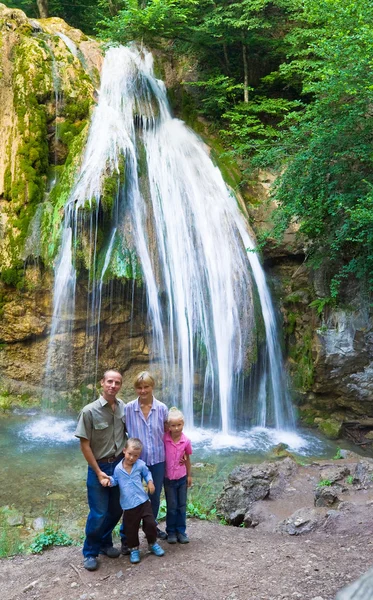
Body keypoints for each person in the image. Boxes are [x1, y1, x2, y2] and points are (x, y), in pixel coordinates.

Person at [75, 369, 127, 571]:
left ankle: (105, 543)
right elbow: (84, 445)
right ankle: (90, 551)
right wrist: (97, 471)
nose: (113, 386)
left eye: (117, 383)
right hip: (100, 465)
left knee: (116, 509)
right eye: (110, 382)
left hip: (120, 465)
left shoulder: (123, 407)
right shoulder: (89, 411)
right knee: (98, 512)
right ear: (102, 383)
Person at [102, 437, 165, 564]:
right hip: (129, 504)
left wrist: (150, 482)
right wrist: (108, 481)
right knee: (130, 528)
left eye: (135, 455)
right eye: (130, 454)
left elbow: (147, 474)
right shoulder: (118, 469)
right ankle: (134, 549)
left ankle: (152, 543)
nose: (131, 458)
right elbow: (115, 480)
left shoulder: (140, 465)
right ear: (124, 451)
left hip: (143, 501)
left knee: (151, 523)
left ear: (139, 456)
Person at [124, 371, 168, 539]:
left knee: (154, 495)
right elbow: (122, 432)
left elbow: (166, 433)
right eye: (139, 388)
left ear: (152, 387)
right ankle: (128, 534)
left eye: (146, 387)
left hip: (157, 459)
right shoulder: (128, 409)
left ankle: (151, 527)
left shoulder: (162, 408)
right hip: (135, 461)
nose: (143, 391)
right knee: (131, 497)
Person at [164, 407, 192, 544]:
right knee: (172, 506)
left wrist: (189, 475)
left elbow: (187, 459)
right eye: (173, 425)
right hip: (168, 479)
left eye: (179, 425)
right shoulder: (164, 439)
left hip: (181, 477)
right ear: (168, 426)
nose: (176, 428)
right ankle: (170, 531)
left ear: (183, 424)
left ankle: (181, 531)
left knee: (181, 505)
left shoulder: (186, 441)